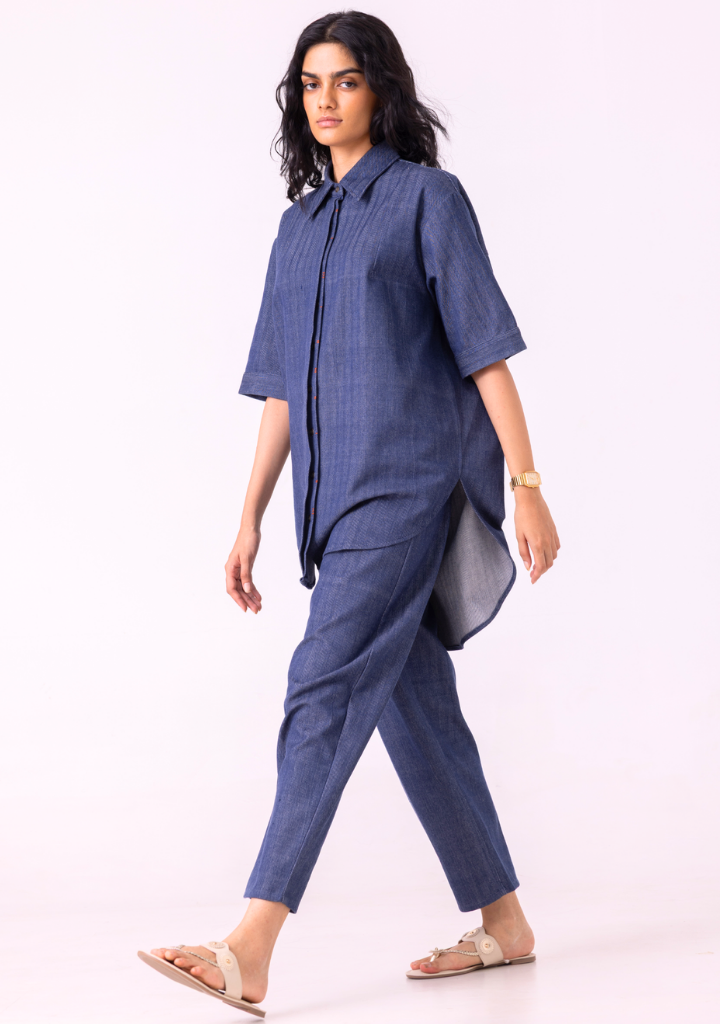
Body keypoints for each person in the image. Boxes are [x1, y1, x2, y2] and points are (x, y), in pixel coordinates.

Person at [138, 10, 560, 1017]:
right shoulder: (298, 229)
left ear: (382, 90)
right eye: (311, 83)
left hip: (408, 490)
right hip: (329, 512)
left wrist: (527, 484)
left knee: (321, 687)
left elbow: (485, 351)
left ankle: (251, 944)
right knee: (417, 712)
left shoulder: (426, 200)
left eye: (347, 80)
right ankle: (504, 922)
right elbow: (283, 390)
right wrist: (249, 516)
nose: (325, 99)